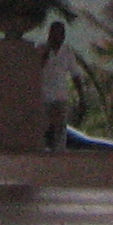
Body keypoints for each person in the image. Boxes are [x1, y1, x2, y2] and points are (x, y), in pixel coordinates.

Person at [38, 20, 73, 149]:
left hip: (60, 96)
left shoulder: (67, 51)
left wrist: (81, 97)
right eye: (56, 33)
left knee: (60, 129)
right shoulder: (41, 49)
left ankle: (59, 152)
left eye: (61, 34)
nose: (59, 37)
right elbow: (36, 68)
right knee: (42, 127)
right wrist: (47, 51)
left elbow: (75, 74)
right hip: (44, 96)